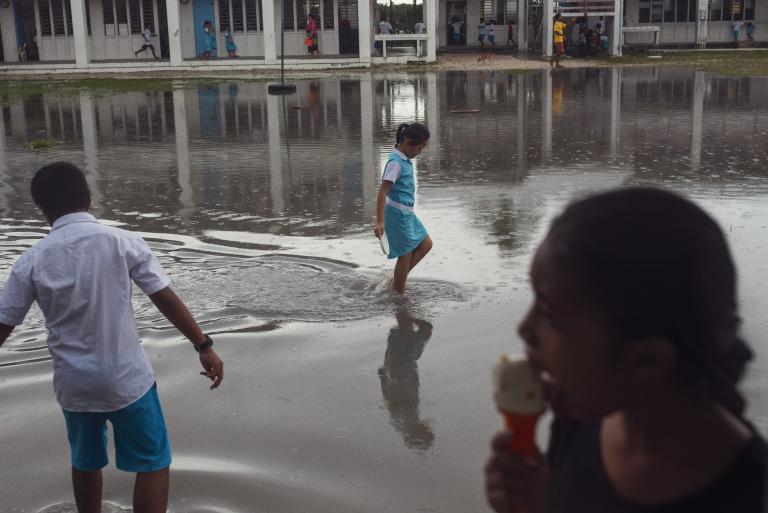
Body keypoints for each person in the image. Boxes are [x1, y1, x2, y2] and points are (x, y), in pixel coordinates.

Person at [485, 187, 767, 513]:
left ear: (647, 360)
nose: (525, 328)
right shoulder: (579, 421)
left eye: (549, 314)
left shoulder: (750, 496)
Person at [0, 162, 224, 513]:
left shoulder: (31, 260)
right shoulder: (122, 242)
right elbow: (164, 297)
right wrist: (203, 345)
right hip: (126, 378)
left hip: (75, 385)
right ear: (88, 199)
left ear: (42, 210)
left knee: (86, 462)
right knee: (152, 462)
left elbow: (4, 322)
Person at [374, 123, 433, 295]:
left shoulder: (404, 158)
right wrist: (379, 222)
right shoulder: (395, 163)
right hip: (397, 214)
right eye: (419, 147)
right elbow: (382, 192)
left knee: (426, 244)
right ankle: (399, 292)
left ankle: (397, 281)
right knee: (405, 254)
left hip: (407, 213)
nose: (420, 152)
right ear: (408, 142)